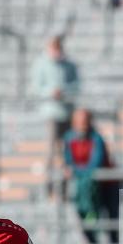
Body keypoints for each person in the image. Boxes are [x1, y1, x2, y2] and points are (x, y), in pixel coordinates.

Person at [63, 108, 120, 244]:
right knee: (86, 224)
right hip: (87, 190)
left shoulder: (97, 139)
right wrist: (78, 170)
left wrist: (76, 171)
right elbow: (68, 162)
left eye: (85, 122)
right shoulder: (69, 139)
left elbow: (95, 165)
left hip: (107, 187)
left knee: (112, 226)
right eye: (79, 123)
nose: (82, 126)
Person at [30, 36, 79, 191]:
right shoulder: (41, 64)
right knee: (52, 150)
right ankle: (49, 186)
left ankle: (65, 187)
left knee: (67, 151)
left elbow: (77, 85)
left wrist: (64, 91)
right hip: (51, 112)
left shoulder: (69, 65)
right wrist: (51, 92)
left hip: (67, 111)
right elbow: (36, 87)